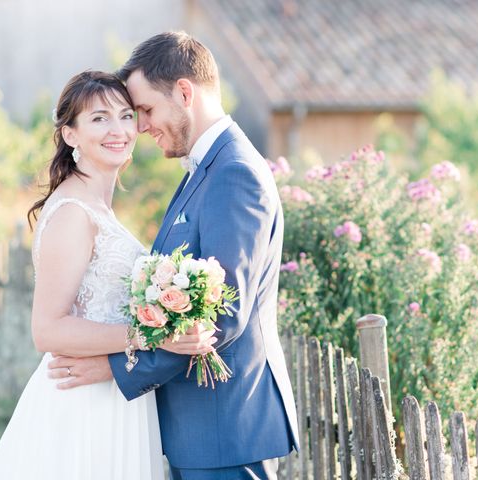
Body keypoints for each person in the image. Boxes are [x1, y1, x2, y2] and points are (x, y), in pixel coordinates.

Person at [49, 32, 299, 479]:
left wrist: (115, 368)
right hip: (198, 430)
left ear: (184, 93)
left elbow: (222, 316)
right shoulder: (202, 171)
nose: (139, 127)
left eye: (143, 110)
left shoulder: (233, 173)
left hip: (225, 429)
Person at [0, 70, 213, 480]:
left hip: (115, 395)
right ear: (70, 134)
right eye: (99, 118)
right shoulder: (74, 213)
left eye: (126, 116)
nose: (118, 130)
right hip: (83, 404)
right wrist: (152, 336)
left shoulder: (98, 207)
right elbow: (48, 330)